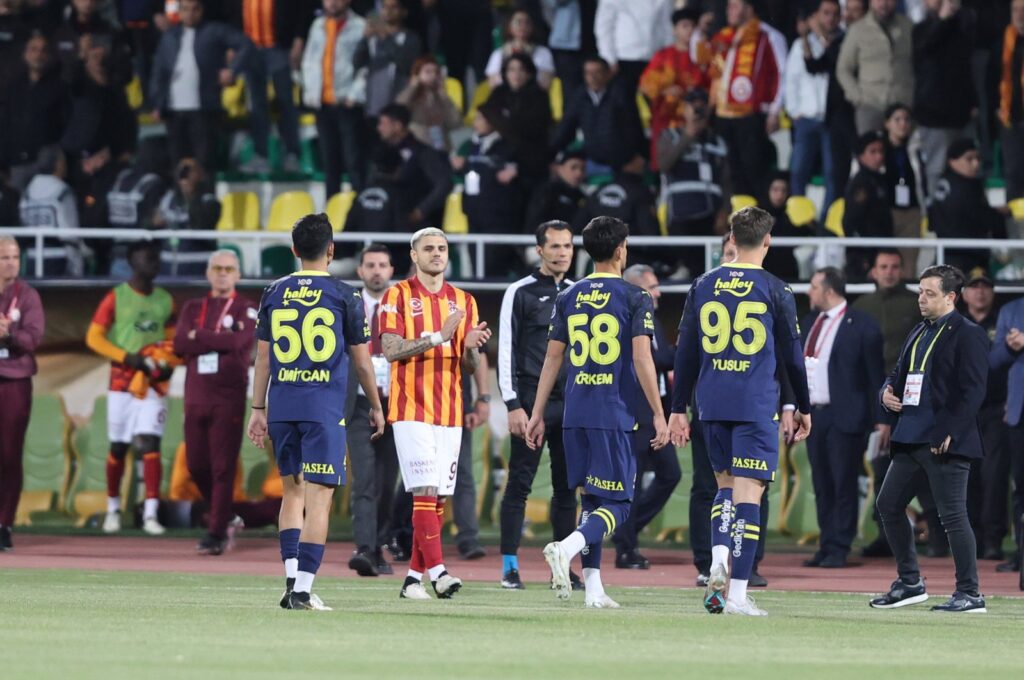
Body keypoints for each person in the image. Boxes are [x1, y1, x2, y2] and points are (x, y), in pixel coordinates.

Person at [670, 207, 812, 616]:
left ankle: (716, 560)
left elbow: (687, 352)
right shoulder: (775, 288)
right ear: (767, 241)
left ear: (731, 237)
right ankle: (736, 593)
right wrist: (801, 405)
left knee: (724, 490)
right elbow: (793, 357)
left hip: (711, 404)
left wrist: (679, 407)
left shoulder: (703, 284)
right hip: (755, 404)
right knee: (750, 497)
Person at [526, 216, 669, 608]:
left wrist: (537, 412)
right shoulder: (634, 296)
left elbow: (552, 359)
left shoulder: (569, 296)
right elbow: (642, 358)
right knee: (620, 503)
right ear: (621, 249)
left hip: (575, 412)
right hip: (612, 412)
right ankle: (566, 548)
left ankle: (593, 589)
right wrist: (659, 412)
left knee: (591, 500)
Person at [247, 212, 385, 611]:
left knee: (291, 492)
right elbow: (362, 363)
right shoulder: (346, 295)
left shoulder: (273, 291)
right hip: (322, 408)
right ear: (331, 250)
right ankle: (304, 590)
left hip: (282, 404)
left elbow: (263, 357)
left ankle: (292, 580)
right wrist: (375, 405)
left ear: (293, 250)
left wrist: (258, 408)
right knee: (319, 497)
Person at [378, 227, 491, 600]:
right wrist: (440, 337)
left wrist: (471, 348)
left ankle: (413, 579)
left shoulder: (464, 301)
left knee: (438, 498)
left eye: (442, 248)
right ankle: (440, 572)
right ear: (414, 255)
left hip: (450, 411)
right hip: (411, 409)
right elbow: (391, 350)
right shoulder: (396, 295)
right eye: (429, 248)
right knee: (425, 490)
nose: (437, 254)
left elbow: (471, 365)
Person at [872, 265, 988, 613]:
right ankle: (910, 583)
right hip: (910, 435)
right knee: (888, 506)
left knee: (952, 515)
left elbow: (973, 391)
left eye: (930, 293)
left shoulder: (969, 334)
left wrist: (949, 430)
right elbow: (897, 375)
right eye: (920, 292)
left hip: (944, 439)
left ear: (951, 297)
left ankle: (970, 593)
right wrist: (885, 394)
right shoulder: (919, 330)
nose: (921, 298)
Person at [497, 221, 578, 590]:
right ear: (540, 250)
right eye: (555, 246)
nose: (562, 252)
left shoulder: (580, 293)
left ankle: (562, 566)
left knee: (566, 489)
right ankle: (509, 567)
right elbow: (505, 350)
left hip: (569, 405)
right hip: (530, 402)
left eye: (568, 246)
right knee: (520, 485)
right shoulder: (520, 291)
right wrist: (514, 404)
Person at [85, 241, 177, 536]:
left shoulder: (165, 300)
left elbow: (174, 343)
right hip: (122, 382)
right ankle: (113, 509)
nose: (154, 262)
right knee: (119, 446)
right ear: (131, 260)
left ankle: (150, 513)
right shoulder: (117, 297)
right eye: (147, 257)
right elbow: (94, 338)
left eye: (156, 256)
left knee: (150, 444)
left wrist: (169, 364)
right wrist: (127, 357)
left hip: (152, 384)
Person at [173, 249, 257, 555]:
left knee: (223, 468)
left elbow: (240, 343)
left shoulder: (246, 307)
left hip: (228, 396)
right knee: (196, 466)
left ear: (238, 275)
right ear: (209, 273)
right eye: (218, 268)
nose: (223, 273)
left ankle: (217, 532)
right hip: (196, 396)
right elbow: (181, 343)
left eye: (229, 269)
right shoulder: (193, 306)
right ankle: (227, 515)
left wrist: (202, 335)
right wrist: (219, 337)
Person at [802, 267, 885, 568]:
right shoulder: (811, 322)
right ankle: (826, 543)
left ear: (829, 290)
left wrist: (881, 419)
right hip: (815, 416)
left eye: (813, 286)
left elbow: (876, 376)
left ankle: (840, 545)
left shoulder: (862, 324)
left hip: (846, 417)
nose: (808, 292)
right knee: (822, 484)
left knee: (844, 483)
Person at [611, 264, 681, 569]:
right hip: (633, 413)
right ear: (638, 290)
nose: (659, 292)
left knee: (670, 474)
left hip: (656, 414)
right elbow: (649, 361)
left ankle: (626, 530)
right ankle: (625, 549)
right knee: (633, 483)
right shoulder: (624, 319)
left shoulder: (653, 321)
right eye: (653, 287)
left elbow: (660, 369)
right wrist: (685, 349)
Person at [345, 244, 399, 577]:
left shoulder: (404, 304)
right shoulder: (348, 304)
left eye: (382, 265)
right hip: (359, 403)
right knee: (364, 479)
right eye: (370, 265)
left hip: (396, 403)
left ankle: (379, 544)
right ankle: (365, 548)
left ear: (392, 270)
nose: (377, 270)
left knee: (387, 481)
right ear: (360, 271)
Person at [150, 0, 252, 174]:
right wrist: (158, 103)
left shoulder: (214, 31)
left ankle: (205, 200)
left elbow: (245, 45)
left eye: (194, 9)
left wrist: (232, 70)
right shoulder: (169, 37)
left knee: (205, 164)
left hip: (204, 109)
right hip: (174, 111)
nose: (190, 14)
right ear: (179, 12)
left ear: (201, 10)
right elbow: (159, 72)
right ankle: (181, 200)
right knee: (178, 165)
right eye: (185, 9)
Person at [708, 0, 785, 198]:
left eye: (734, 5)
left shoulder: (768, 36)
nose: (728, 10)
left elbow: (782, 75)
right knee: (728, 173)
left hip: (750, 117)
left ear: (749, 8)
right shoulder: (724, 37)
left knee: (753, 173)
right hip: (722, 117)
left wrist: (775, 111)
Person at [230, 0, 315, 174]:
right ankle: (260, 156)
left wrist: (298, 39)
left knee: (286, 102)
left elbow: (301, 9)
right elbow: (233, 12)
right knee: (256, 105)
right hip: (249, 48)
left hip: (279, 47)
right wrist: (234, 44)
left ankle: (292, 154)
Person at [960, 275, 1010, 562]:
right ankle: (971, 539)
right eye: (975, 288)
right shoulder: (955, 322)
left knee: (994, 476)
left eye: (986, 288)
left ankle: (992, 539)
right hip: (964, 412)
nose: (980, 293)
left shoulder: (1003, 320)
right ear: (964, 294)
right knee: (966, 476)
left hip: (995, 409)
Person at [0, 237, 44, 551]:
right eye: (4, 257)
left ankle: (4, 523)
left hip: (14, 380)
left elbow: (32, 338)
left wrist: (8, 334)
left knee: (9, 453)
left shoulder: (27, 296)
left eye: (15, 256)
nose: (11, 263)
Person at [658, 87, 730, 280]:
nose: (698, 111)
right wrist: (688, 135)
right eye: (693, 107)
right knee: (687, 270)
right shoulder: (670, 136)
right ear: (685, 110)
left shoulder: (718, 141)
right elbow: (664, 165)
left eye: (702, 108)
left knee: (707, 270)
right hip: (682, 212)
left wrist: (725, 211)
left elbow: (726, 180)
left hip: (710, 214)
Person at [913, 0, 977, 202]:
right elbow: (926, 46)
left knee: (969, 167)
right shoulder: (919, 30)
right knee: (937, 168)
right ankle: (936, 217)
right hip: (933, 114)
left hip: (961, 113)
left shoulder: (961, 28)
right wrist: (942, 19)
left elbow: (968, 68)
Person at [301, 0, 367, 195]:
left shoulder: (360, 26)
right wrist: (310, 92)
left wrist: (354, 94)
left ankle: (359, 209)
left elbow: (365, 66)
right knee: (330, 162)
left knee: (353, 159)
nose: (333, 3)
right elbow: (310, 61)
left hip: (347, 102)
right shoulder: (318, 25)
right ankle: (330, 211)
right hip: (322, 103)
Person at [801, 1, 857, 213]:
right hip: (834, 116)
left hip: (853, 114)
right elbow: (814, 66)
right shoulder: (840, 39)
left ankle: (841, 220)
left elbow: (835, 57)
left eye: (854, 11)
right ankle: (831, 222)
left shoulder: (854, 39)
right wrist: (807, 37)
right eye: (848, 11)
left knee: (843, 173)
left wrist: (818, 32)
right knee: (834, 173)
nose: (848, 16)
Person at [785, 0, 841, 208]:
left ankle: (826, 224)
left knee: (831, 172)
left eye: (834, 14)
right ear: (816, 16)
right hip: (806, 117)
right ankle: (798, 218)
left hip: (830, 119)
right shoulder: (801, 45)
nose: (830, 18)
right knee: (799, 170)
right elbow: (791, 80)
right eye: (825, 13)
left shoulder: (841, 42)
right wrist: (794, 112)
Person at [550, 56, 646, 176]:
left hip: (624, 163)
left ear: (607, 74)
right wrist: (550, 156)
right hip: (594, 162)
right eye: (588, 73)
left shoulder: (620, 95)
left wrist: (641, 155)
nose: (593, 77)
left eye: (597, 72)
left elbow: (634, 126)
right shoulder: (579, 98)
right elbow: (566, 128)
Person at [639, 8, 710, 168]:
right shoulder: (663, 56)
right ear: (675, 29)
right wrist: (664, 91)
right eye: (684, 26)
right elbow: (645, 85)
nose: (689, 30)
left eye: (693, 26)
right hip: (667, 119)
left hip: (695, 120)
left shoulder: (703, 56)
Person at [928, 138, 1007, 276]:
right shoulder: (966, 187)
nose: (976, 164)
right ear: (953, 161)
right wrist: (1001, 216)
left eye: (978, 158)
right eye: (969, 159)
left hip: (948, 256)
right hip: (968, 259)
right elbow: (981, 216)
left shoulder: (943, 184)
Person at [2, 33, 70, 192]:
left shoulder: (60, 87)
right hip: (16, 162)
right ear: (25, 54)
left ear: (49, 55)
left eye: (43, 50)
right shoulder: (13, 88)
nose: (38, 54)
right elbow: (5, 124)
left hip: (47, 162)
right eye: (33, 49)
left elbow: (67, 124)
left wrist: (62, 158)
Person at [836, 0, 914, 135]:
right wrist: (858, 98)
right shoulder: (858, 29)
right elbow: (843, 69)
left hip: (903, 105)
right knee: (870, 150)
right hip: (870, 105)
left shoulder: (908, 26)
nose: (883, 3)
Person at [989, 287, 1024, 575]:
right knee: (1020, 490)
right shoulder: (1011, 310)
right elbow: (994, 361)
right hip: (1018, 413)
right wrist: (1011, 348)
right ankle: (1022, 556)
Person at [376, 103, 452, 231]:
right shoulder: (381, 153)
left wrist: (420, 211)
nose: (379, 128)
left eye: (383, 123)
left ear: (398, 126)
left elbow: (444, 183)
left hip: (417, 229)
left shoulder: (424, 153)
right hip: (387, 225)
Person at [485, 54, 553, 194]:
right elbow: (487, 117)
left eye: (521, 69)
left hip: (531, 162)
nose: (516, 74)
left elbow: (532, 129)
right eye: (511, 69)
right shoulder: (498, 94)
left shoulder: (538, 96)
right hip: (501, 157)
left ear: (529, 73)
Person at [18, 145, 85, 277]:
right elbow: (70, 233)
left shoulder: (27, 192)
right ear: (58, 164)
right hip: (59, 259)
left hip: (31, 258)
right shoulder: (62, 191)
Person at [353, 0, 423, 120]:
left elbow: (406, 65)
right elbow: (357, 63)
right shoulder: (373, 38)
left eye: (393, 7)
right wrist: (364, 39)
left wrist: (386, 37)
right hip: (373, 105)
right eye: (384, 7)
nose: (388, 11)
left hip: (399, 105)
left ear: (404, 12)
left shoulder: (411, 39)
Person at [152, 157, 221, 277]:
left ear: (201, 174)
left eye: (191, 170)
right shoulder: (168, 198)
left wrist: (190, 195)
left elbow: (200, 226)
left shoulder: (209, 201)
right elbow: (153, 222)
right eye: (182, 170)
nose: (186, 174)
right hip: (168, 268)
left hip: (198, 268)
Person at [594, 0, 673, 97]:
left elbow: (667, 27)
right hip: (622, 58)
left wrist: (669, 57)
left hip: (654, 58)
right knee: (624, 103)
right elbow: (604, 28)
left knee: (652, 103)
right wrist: (608, 58)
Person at [882, 104, 925, 280]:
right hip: (886, 212)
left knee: (909, 264)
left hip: (911, 212)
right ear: (887, 123)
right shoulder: (878, 149)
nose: (903, 124)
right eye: (897, 119)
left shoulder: (916, 148)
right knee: (885, 260)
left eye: (906, 119)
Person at [843, 130, 892, 281]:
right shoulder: (861, 184)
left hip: (879, 250)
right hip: (865, 255)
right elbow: (851, 222)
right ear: (861, 155)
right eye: (873, 151)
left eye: (881, 151)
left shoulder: (879, 180)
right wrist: (862, 256)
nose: (879, 156)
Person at [395, 55, 462, 153]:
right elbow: (398, 110)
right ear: (417, 74)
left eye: (436, 72)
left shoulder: (441, 97)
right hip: (419, 147)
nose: (433, 75)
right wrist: (413, 86)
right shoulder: (411, 96)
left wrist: (444, 96)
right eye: (427, 72)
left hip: (441, 148)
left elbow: (456, 123)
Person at [485, 10, 555, 89]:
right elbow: (494, 84)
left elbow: (545, 84)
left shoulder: (543, 52)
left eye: (527, 22)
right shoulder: (498, 54)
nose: (523, 26)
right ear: (509, 26)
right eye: (519, 22)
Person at [524, 149, 585, 231]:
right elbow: (535, 223)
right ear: (559, 168)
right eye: (573, 167)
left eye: (583, 169)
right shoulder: (546, 191)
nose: (579, 173)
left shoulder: (582, 196)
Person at [999, 0, 1024, 202]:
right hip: (1011, 119)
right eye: (1016, 10)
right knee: (1014, 175)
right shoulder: (1004, 41)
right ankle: (1018, 229)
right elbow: (993, 78)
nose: (1020, 14)